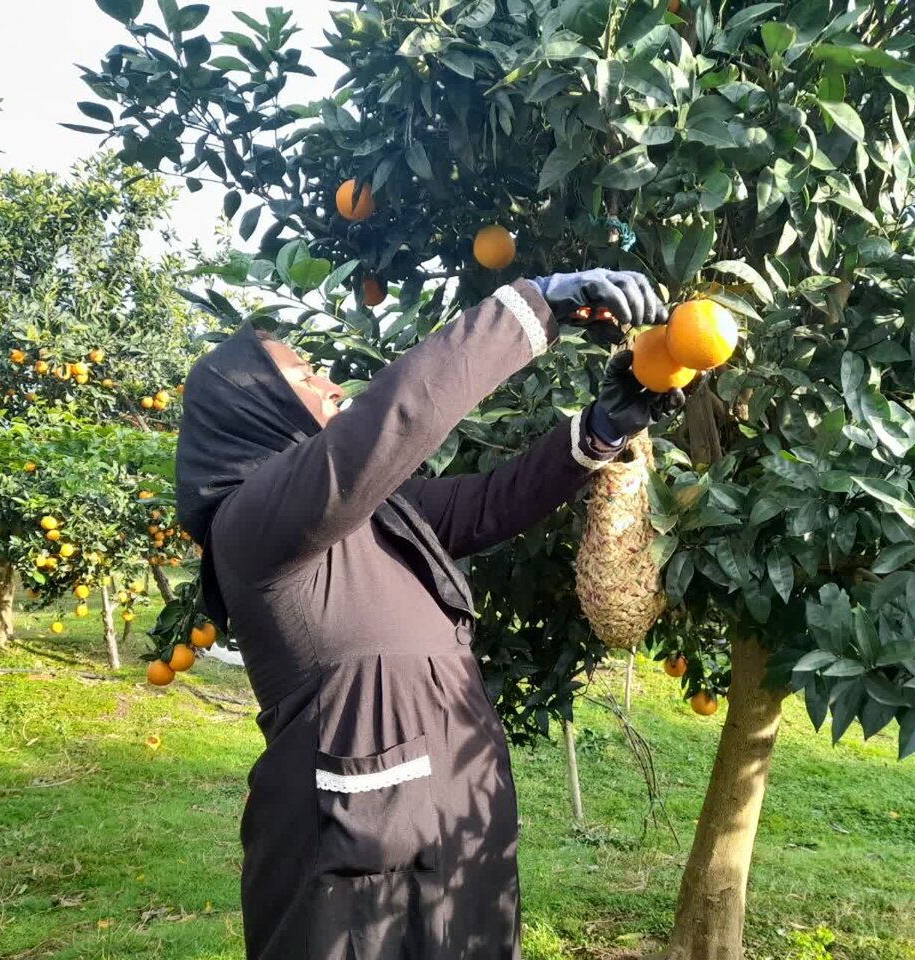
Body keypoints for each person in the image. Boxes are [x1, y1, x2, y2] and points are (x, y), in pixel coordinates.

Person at [175, 271, 685, 960]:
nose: (333, 388)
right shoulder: (251, 525)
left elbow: (489, 503)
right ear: (259, 409)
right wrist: (533, 304)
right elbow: (393, 420)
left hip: (457, 838)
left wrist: (601, 429)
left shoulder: (379, 514)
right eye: (307, 378)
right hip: (353, 870)